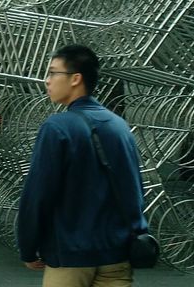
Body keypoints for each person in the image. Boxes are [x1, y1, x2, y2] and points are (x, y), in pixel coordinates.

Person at [16, 45, 147, 287]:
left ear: (76, 78)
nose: (47, 81)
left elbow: (37, 195)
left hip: (71, 257)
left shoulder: (57, 127)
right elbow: (135, 189)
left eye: (53, 73)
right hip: (117, 255)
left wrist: (28, 246)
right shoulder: (119, 126)